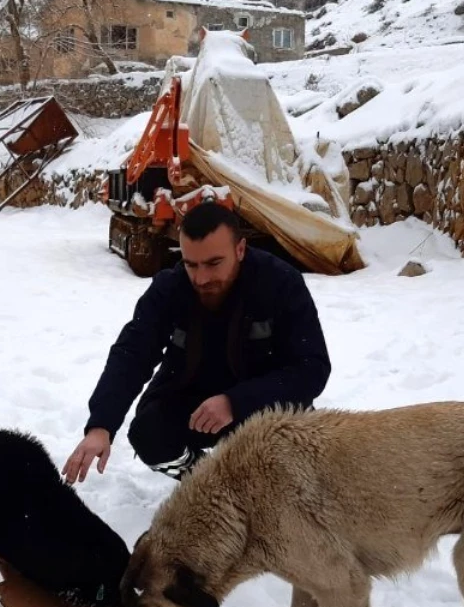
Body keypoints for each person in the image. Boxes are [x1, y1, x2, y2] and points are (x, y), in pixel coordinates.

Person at [62, 200, 331, 484]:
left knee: (299, 452)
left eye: (214, 263)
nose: (201, 278)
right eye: (191, 264)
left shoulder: (281, 283)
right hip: (192, 400)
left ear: (240, 250)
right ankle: (211, 484)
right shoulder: (170, 287)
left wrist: (236, 402)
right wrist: (101, 425)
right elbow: (133, 352)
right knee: (149, 433)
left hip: (262, 404)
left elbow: (311, 367)